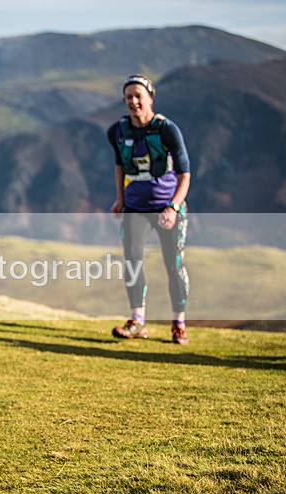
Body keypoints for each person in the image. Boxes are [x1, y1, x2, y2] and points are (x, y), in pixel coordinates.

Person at [107, 74, 191, 345]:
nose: (133, 102)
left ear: (150, 98)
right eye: (128, 97)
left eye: (138, 96)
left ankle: (178, 324)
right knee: (132, 260)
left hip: (167, 208)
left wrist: (173, 207)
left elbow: (185, 174)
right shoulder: (117, 131)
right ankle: (137, 321)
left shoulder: (167, 130)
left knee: (173, 264)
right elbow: (119, 165)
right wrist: (120, 199)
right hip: (135, 207)